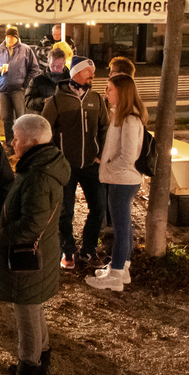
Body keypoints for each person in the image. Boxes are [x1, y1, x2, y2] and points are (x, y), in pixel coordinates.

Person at [0, 114, 69, 375]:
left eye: (17, 138)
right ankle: (41, 360)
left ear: (32, 142)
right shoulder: (44, 166)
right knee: (33, 307)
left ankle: (26, 374)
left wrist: (3, 234)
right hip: (42, 251)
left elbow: (32, 223)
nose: (13, 143)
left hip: (29, 255)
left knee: (26, 312)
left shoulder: (37, 176)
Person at [42, 56, 108, 270]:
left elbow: (105, 128)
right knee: (65, 212)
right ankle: (67, 251)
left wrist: (100, 155)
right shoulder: (56, 101)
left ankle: (88, 250)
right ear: (76, 73)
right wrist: (54, 158)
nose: (93, 75)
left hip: (91, 164)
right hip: (66, 166)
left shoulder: (96, 99)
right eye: (89, 71)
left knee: (98, 208)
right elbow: (45, 131)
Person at [86, 75, 146, 291]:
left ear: (121, 92)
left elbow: (128, 156)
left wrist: (108, 168)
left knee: (121, 228)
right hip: (121, 177)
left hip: (122, 179)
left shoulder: (129, 119)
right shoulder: (122, 117)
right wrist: (105, 161)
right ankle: (121, 267)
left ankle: (117, 273)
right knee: (124, 227)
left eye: (109, 89)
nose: (106, 93)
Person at [0, 27, 41, 153]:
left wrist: (25, 84)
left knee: (21, 118)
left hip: (19, 89)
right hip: (3, 89)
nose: (8, 39)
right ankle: (9, 145)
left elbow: (34, 69)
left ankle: (23, 144)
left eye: (11, 37)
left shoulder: (25, 50)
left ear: (16, 38)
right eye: (7, 37)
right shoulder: (0, 50)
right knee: (6, 118)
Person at [25, 47, 70, 115]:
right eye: (53, 65)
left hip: (65, 117)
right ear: (48, 63)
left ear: (64, 63)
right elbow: (28, 102)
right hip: (45, 118)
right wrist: (44, 101)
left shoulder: (71, 80)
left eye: (59, 66)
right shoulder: (37, 81)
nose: (55, 69)